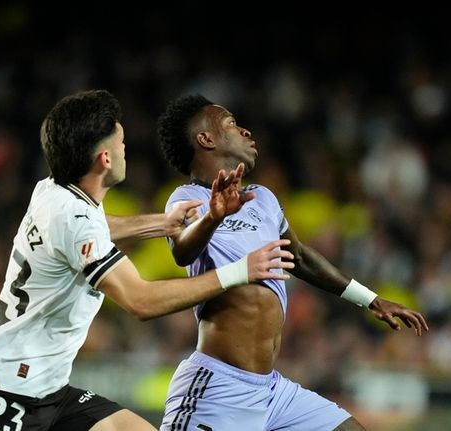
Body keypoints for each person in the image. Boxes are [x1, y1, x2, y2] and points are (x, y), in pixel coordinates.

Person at [0, 89, 295, 431]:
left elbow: (97, 227)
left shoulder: (52, 191)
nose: (125, 150)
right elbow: (140, 301)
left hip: (49, 393)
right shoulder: (74, 219)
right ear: (104, 159)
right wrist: (239, 271)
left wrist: (163, 222)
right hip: (2, 396)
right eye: (121, 142)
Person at [156, 94, 430, 431]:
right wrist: (212, 217)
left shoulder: (263, 199)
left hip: (271, 391)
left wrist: (369, 298)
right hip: (217, 386)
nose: (244, 130)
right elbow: (181, 249)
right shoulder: (187, 198)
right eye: (230, 123)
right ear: (206, 139)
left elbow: (298, 257)